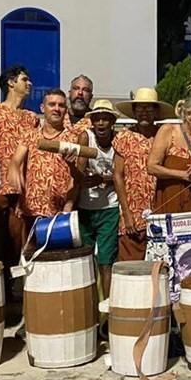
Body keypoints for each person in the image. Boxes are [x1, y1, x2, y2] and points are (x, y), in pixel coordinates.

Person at [0, 66, 39, 284]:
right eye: (25, 79)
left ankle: (17, 288)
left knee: (18, 240)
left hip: (22, 189)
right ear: (11, 83)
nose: (29, 83)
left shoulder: (32, 118)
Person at [10, 89, 81, 240]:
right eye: (52, 104)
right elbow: (16, 161)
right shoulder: (31, 135)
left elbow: (77, 177)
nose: (56, 109)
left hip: (60, 212)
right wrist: (15, 174)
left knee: (58, 260)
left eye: (61, 105)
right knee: (30, 257)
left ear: (65, 110)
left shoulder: (73, 138)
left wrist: (69, 204)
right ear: (43, 108)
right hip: (31, 210)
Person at [113, 88, 173, 261]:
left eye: (149, 108)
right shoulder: (124, 137)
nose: (144, 113)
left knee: (160, 265)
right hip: (132, 210)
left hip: (160, 208)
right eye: (140, 108)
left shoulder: (164, 135)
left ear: (156, 111)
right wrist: (126, 213)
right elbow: (118, 175)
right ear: (134, 111)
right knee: (131, 265)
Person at [76, 99, 122, 298]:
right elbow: (79, 169)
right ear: (92, 122)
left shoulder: (119, 140)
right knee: (86, 258)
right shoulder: (86, 137)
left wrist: (105, 179)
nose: (101, 123)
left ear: (112, 122)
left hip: (109, 207)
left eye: (105, 119)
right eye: (97, 119)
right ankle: (90, 303)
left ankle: (108, 306)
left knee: (106, 259)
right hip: (86, 206)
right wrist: (82, 173)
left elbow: (124, 174)